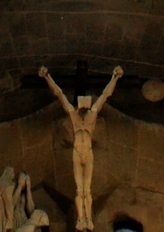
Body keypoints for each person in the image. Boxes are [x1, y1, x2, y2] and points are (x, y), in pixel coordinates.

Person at [39, 65, 123, 231]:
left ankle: (88, 219)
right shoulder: (73, 116)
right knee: (80, 190)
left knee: (87, 190)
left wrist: (115, 78)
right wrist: (47, 77)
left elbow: (105, 96)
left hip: (87, 153)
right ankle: (81, 219)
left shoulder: (92, 116)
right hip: (78, 153)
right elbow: (59, 95)